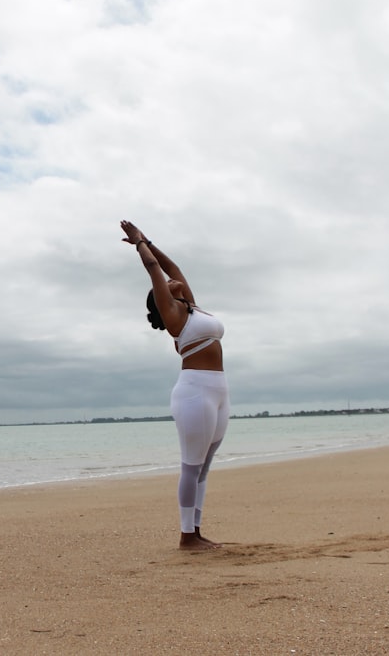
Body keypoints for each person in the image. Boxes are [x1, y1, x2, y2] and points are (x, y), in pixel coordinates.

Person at [120, 220, 229, 551]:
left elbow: (171, 266)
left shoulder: (191, 307)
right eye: (165, 285)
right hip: (194, 392)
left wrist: (150, 240)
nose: (171, 280)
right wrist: (140, 245)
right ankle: (186, 537)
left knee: (204, 468)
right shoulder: (174, 316)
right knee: (191, 465)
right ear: (163, 298)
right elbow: (154, 268)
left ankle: (196, 531)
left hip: (219, 391)